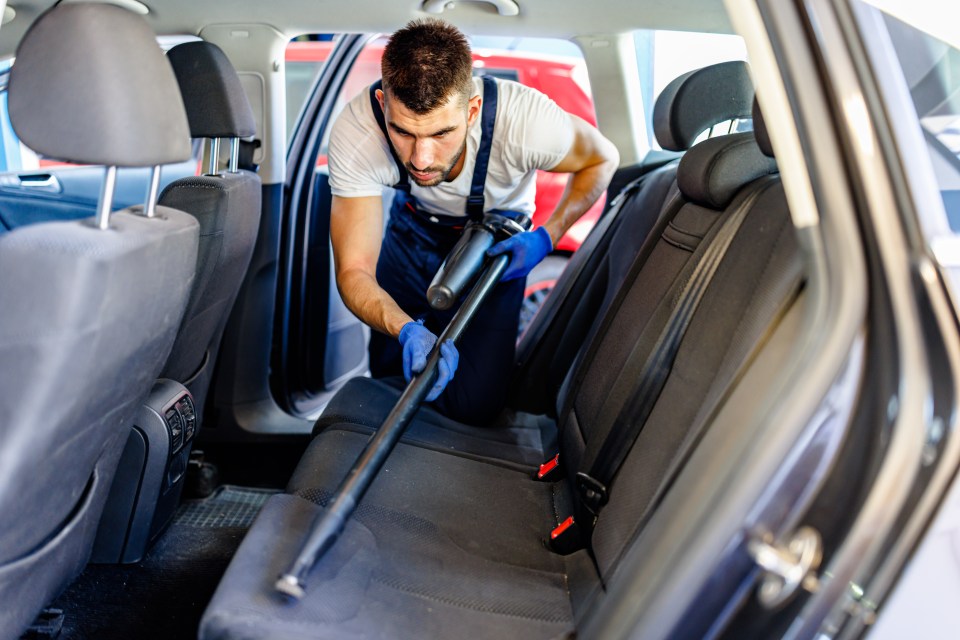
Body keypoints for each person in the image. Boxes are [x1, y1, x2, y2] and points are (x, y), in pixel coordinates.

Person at [328, 19, 619, 425]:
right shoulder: (357, 133)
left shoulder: (526, 122)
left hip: (496, 251)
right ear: (382, 103)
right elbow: (354, 270)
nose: (421, 159)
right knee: (391, 381)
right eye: (403, 132)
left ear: (473, 109)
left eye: (442, 133)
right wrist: (404, 329)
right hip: (411, 234)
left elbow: (602, 159)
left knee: (476, 404)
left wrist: (546, 238)